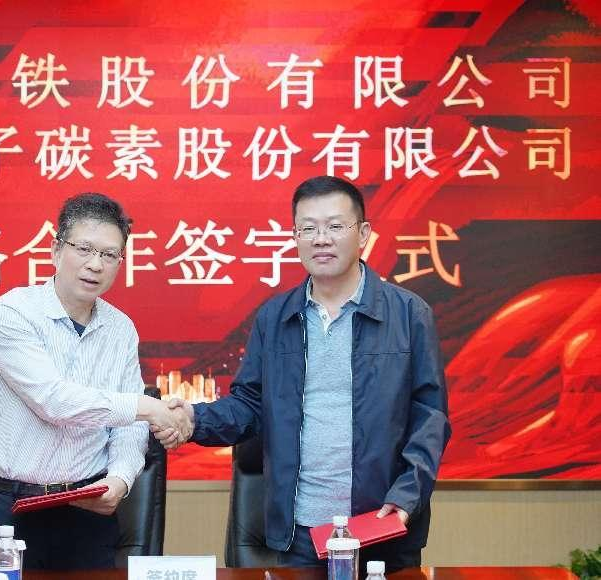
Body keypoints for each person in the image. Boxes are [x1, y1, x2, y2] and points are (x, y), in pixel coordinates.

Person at [156, 176, 450, 572]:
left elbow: (430, 417)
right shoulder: (275, 317)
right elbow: (250, 406)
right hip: (300, 532)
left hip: (382, 525)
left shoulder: (409, 314)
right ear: (295, 237)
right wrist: (194, 418)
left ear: (363, 234)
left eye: (335, 226)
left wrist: (407, 496)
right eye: (308, 228)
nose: (321, 239)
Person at [0, 192, 187, 570]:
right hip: (11, 510)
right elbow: (54, 401)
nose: (95, 265)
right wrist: (148, 407)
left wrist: (119, 481)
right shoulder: (11, 313)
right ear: (56, 250)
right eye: (84, 249)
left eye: (109, 255)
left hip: (88, 511)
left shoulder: (120, 329)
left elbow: (130, 427)